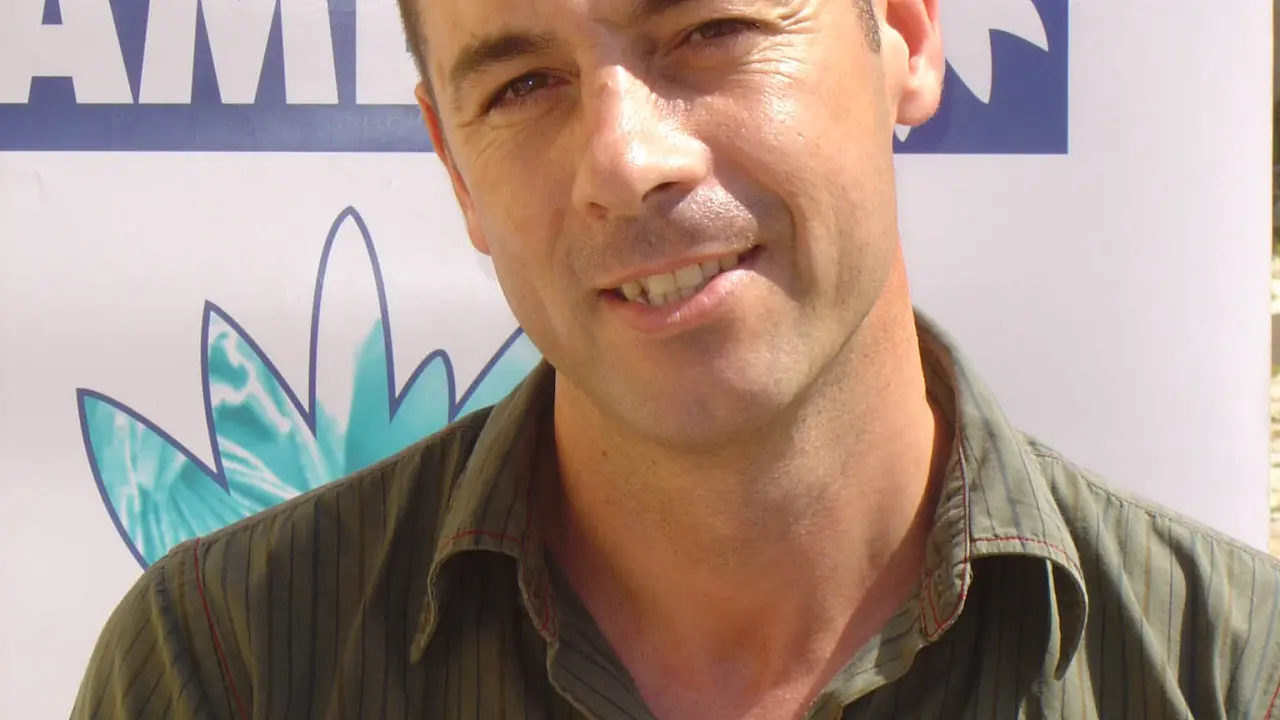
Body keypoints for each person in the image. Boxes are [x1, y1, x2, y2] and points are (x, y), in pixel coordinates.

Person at [72, 0, 1280, 717]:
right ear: (454, 170)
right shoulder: (225, 669)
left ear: (905, 35)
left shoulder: (1229, 676)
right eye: (523, 83)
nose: (623, 159)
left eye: (707, 29)